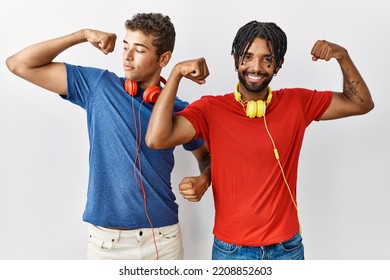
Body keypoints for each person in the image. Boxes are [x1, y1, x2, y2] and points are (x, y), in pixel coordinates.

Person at [145, 20, 374, 260]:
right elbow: (157, 138)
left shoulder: (297, 103)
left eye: (267, 59)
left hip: (287, 249)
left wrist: (342, 55)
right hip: (231, 251)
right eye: (248, 57)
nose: (256, 67)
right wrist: (176, 73)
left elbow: (360, 103)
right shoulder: (211, 108)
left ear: (278, 65)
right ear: (235, 59)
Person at [5, 13, 211, 260]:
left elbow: (207, 156)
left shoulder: (177, 109)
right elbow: (19, 64)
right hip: (106, 245)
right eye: (125, 47)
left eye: (139, 50)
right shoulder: (99, 86)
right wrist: (82, 35)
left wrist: (204, 180)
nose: (127, 56)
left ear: (163, 58)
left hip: (163, 240)